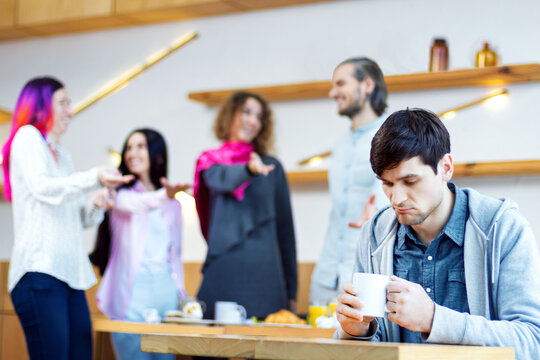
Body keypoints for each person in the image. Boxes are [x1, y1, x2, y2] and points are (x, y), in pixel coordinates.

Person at [335, 108, 540, 359]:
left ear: (445, 167)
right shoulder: (374, 235)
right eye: (387, 183)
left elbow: (532, 341)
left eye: (410, 182)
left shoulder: (503, 228)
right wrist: (356, 331)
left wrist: (434, 319)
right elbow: (366, 348)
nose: (396, 199)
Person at [2, 76, 132, 360]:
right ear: (40, 106)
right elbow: (42, 187)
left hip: (69, 276)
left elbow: (78, 219)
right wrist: (93, 177)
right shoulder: (27, 138)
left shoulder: (62, 154)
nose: (70, 111)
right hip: (39, 273)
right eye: (63, 103)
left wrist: (97, 204)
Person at [194, 91, 297, 319]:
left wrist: (292, 290)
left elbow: (286, 232)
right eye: (246, 112)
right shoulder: (211, 162)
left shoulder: (271, 167)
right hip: (222, 273)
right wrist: (248, 170)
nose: (252, 121)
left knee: (265, 351)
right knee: (208, 350)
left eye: (259, 117)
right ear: (229, 115)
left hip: (266, 280)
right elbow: (221, 180)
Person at [91, 128, 190, 360]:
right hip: (131, 296)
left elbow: (175, 256)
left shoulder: (173, 204)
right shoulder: (118, 195)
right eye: (129, 147)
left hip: (166, 295)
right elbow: (139, 204)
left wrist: (181, 294)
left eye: (140, 146)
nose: (131, 153)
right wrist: (166, 195)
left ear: (157, 155)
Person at [310, 57, 389, 305]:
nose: (333, 93)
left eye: (341, 84)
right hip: (326, 271)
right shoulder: (340, 144)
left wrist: (377, 213)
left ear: (367, 84)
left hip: (363, 272)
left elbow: (388, 199)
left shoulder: (389, 138)